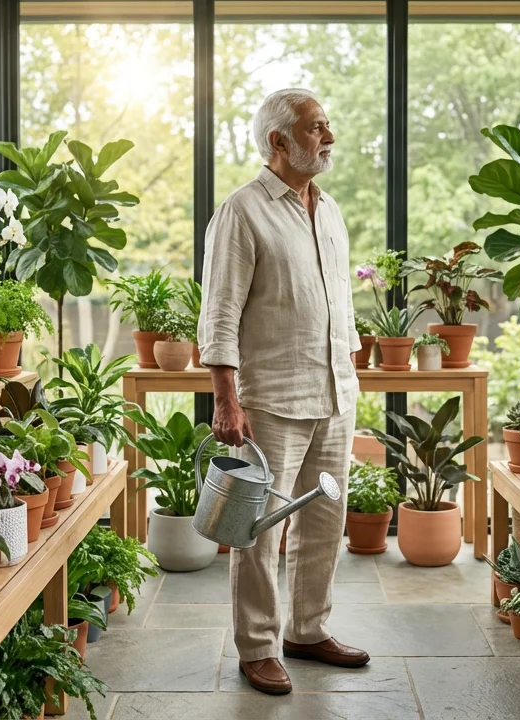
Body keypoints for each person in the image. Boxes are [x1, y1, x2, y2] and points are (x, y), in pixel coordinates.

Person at [197, 88, 368, 695]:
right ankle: (259, 646)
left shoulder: (332, 211)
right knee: (261, 528)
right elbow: (219, 313)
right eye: (317, 127)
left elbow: (337, 300)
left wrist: (349, 365)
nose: (329, 137)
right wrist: (226, 398)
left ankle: (307, 629)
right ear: (279, 140)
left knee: (326, 520)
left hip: (334, 392)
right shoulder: (242, 212)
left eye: (327, 125)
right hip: (270, 397)